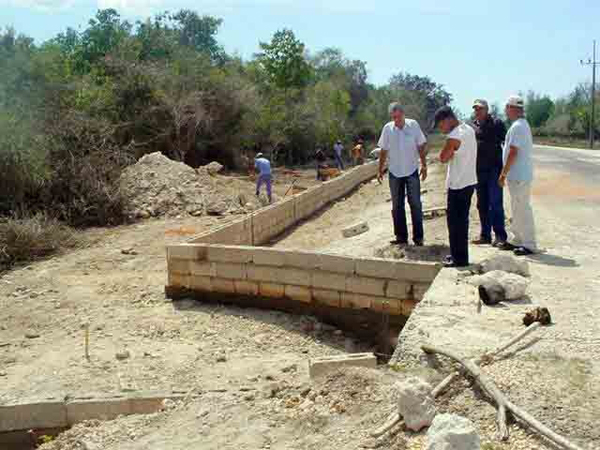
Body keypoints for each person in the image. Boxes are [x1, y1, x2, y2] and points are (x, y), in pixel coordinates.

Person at [377, 102, 428, 246]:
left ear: (403, 114)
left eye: (398, 117)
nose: (396, 120)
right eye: (394, 118)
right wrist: (380, 169)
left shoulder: (413, 125)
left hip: (411, 171)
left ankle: (418, 237)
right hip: (394, 172)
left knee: (415, 204)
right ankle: (401, 237)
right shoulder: (388, 129)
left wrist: (424, 165)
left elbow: (421, 145)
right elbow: (383, 150)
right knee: (397, 206)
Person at [434, 106, 478, 267]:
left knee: (455, 223)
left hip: (458, 184)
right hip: (469, 181)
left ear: (448, 120)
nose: (441, 130)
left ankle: (458, 259)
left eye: (440, 125)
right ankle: (460, 256)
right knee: (462, 222)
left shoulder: (454, 136)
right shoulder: (468, 129)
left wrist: (449, 150)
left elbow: (443, 157)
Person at [498, 95, 537, 256]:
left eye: (507, 107)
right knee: (516, 207)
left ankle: (529, 244)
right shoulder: (520, 125)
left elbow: (513, 152)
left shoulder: (518, 127)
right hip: (518, 175)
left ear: (513, 108)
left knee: (522, 208)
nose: (506, 111)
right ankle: (517, 239)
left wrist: (503, 173)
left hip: (519, 175)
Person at [472, 99, 508, 246]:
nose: (477, 111)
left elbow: (506, 143)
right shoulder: (472, 126)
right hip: (478, 171)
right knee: (482, 204)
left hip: (494, 169)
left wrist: (505, 170)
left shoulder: (497, 124)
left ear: (487, 110)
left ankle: (500, 236)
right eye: (475, 109)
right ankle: (485, 235)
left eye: (480, 109)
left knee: (495, 203)